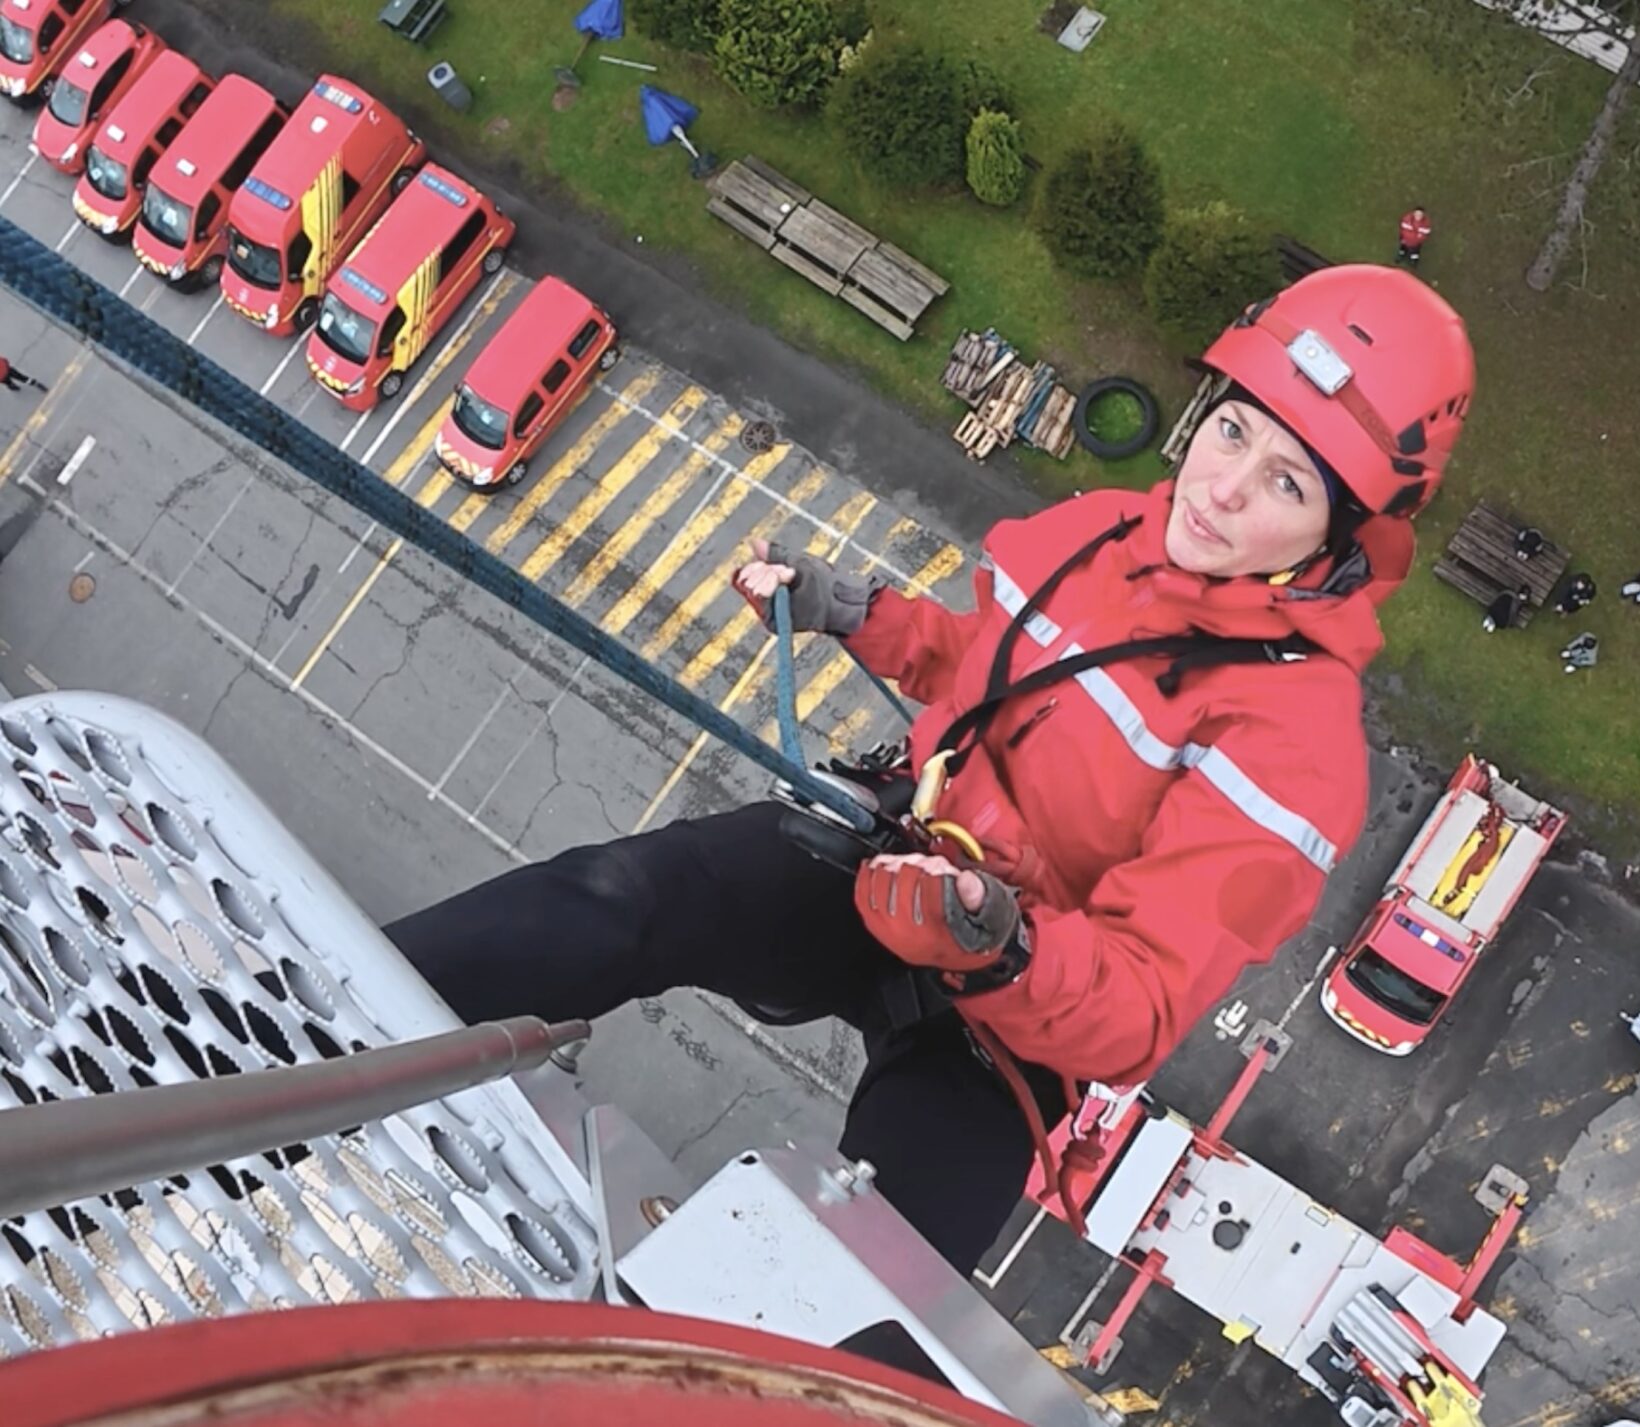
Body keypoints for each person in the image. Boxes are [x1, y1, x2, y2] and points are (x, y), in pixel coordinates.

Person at [385, 265, 1475, 1271]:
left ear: (1339, 538)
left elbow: (1140, 1003)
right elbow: (988, 671)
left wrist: (997, 942)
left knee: (882, 1280)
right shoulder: (1103, 537)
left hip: (1013, 1019)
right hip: (890, 850)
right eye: (1230, 429)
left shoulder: (1296, 745)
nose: (1224, 488)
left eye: (1285, 482)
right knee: (619, 899)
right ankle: (324, 1033)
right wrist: (856, 614)